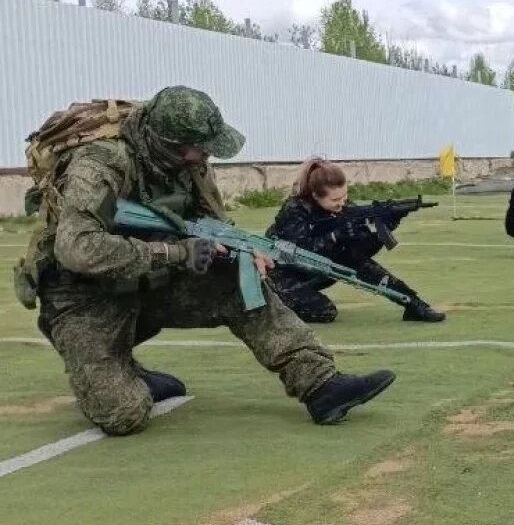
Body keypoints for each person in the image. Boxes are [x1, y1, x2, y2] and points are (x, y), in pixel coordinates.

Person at [23, 86, 394, 436]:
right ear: (170, 145)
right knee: (123, 415)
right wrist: (176, 253)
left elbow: (212, 220)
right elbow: (77, 249)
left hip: (148, 280)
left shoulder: (190, 164)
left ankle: (320, 384)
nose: (206, 158)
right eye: (200, 150)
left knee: (236, 277)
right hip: (83, 296)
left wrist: (242, 249)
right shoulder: (100, 163)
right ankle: (116, 366)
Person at [266, 158, 445, 324]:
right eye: (335, 199)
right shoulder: (294, 210)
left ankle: (413, 303)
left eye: (344, 196)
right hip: (280, 272)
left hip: (318, 269)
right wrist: (335, 236)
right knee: (324, 312)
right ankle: (270, 302)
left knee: (356, 260)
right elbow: (297, 253)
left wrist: (384, 229)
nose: (342, 203)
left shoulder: (346, 209)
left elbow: (361, 252)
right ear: (315, 195)